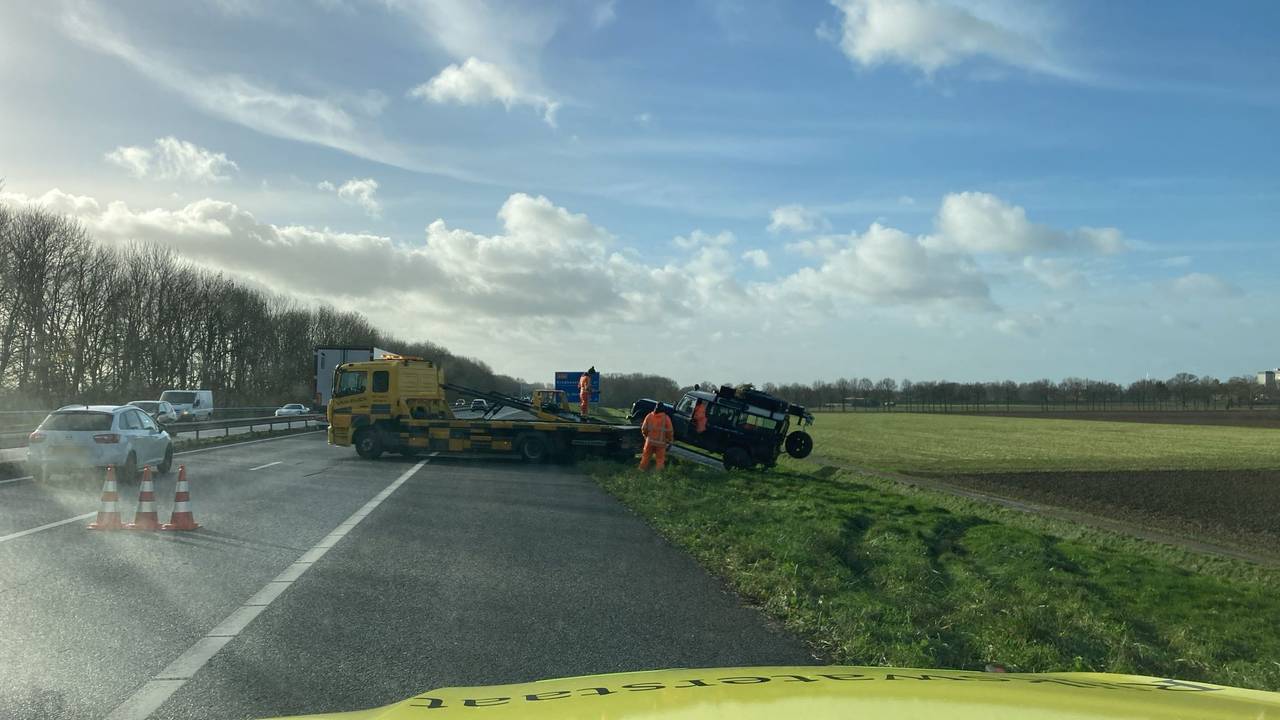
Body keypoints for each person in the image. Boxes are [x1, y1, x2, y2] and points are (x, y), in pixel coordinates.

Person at [638, 403, 674, 471]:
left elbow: (643, 428)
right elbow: (670, 431)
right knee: (660, 459)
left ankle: (641, 470)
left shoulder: (649, 416)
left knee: (645, 457)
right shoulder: (666, 418)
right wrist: (670, 441)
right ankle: (658, 474)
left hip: (650, 442)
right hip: (661, 444)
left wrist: (646, 437)